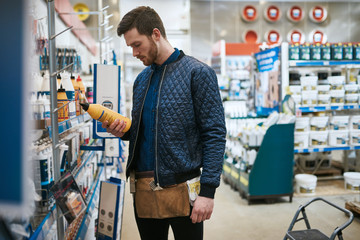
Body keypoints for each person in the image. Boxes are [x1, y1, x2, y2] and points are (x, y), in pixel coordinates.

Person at [102, 6, 226, 240]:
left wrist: (208, 192)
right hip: (143, 190)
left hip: (183, 190)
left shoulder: (198, 73)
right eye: (130, 47)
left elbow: (215, 134)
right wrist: (124, 131)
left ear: (156, 34)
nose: (134, 52)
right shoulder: (141, 80)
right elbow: (147, 129)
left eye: (137, 44)